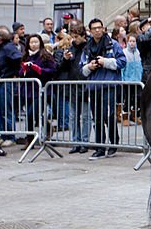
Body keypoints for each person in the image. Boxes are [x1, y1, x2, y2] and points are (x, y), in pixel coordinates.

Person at [81, 18, 127, 160]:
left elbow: (122, 61)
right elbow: (81, 68)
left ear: (103, 29)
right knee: (97, 118)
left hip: (110, 85)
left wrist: (105, 62)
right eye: (94, 28)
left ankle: (113, 143)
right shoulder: (87, 47)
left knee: (109, 115)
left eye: (99, 27)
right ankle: (100, 147)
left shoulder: (112, 44)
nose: (97, 30)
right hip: (94, 86)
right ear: (90, 31)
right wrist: (90, 66)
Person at [57, 21, 92, 154]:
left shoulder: (88, 47)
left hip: (85, 84)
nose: (75, 40)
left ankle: (84, 141)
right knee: (73, 116)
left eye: (77, 37)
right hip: (72, 84)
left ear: (83, 36)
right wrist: (65, 59)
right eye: (73, 37)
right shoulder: (71, 49)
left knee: (85, 115)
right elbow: (62, 68)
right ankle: (75, 141)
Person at [18, 34, 57, 141]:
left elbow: (53, 70)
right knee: (30, 115)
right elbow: (20, 72)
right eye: (31, 42)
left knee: (32, 113)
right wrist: (25, 69)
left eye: (36, 42)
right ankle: (30, 138)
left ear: (40, 43)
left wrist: (39, 70)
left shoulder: (45, 55)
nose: (34, 45)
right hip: (28, 90)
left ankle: (36, 133)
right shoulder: (25, 56)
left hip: (41, 89)